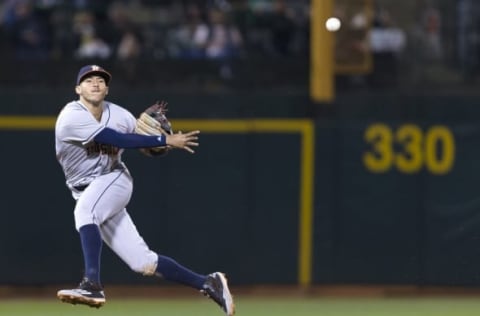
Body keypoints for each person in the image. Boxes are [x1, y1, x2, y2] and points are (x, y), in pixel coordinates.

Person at [54, 64, 235, 316]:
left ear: (106, 89)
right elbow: (116, 138)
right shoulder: (71, 116)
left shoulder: (122, 116)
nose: (95, 83)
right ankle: (207, 282)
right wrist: (163, 139)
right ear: (77, 89)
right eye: (88, 80)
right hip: (87, 191)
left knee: (85, 213)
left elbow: (143, 143)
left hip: (114, 180)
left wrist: (160, 141)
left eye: (100, 80)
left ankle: (91, 284)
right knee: (143, 262)